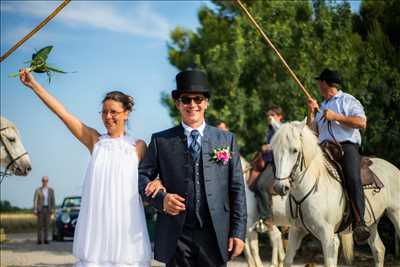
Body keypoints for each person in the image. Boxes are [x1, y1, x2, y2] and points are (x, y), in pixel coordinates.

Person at [19, 69, 163, 267]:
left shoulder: (138, 146)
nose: (107, 117)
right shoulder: (95, 141)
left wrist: (158, 182)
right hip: (96, 226)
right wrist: (34, 85)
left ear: (126, 113)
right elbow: (63, 114)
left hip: (126, 226)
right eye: (104, 112)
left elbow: (153, 176)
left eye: (114, 112)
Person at [139, 69, 247, 267]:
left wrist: (238, 232)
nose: (192, 105)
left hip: (215, 234)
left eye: (198, 99)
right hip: (176, 236)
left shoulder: (226, 140)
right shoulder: (160, 140)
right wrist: (162, 200)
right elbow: (142, 179)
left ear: (206, 102)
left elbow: (237, 189)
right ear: (178, 103)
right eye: (186, 99)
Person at [307, 68, 370, 244]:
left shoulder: (348, 100)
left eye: (319, 82)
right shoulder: (321, 106)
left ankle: (360, 223)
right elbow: (312, 132)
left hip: (346, 147)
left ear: (325, 83)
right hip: (324, 148)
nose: (318, 85)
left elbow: (362, 122)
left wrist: (336, 116)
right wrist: (311, 113)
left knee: (352, 177)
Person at [247, 106, 284, 231]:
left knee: (261, 185)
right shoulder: (269, 130)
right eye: (268, 115)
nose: (269, 118)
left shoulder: (282, 128)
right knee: (254, 184)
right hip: (268, 163)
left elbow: (282, 139)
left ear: (280, 117)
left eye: (273, 115)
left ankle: (267, 217)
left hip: (277, 164)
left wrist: (268, 147)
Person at [33, 176, 55, 244]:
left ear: (48, 181)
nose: (45, 182)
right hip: (40, 209)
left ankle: (46, 240)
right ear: (42, 181)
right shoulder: (38, 190)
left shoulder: (51, 190)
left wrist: (52, 209)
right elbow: (35, 200)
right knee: (40, 226)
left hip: (48, 209)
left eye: (46, 180)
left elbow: (53, 200)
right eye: (43, 180)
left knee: (47, 226)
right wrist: (35, 209)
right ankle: (39, 240)